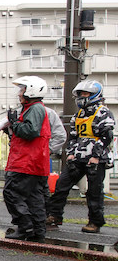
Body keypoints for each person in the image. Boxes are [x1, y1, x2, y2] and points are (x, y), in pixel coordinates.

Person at [46, 80, 115, 234]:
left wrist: (96, 156)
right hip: (78, 156)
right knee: (61, 185)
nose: (82, 97)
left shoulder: (103, 112)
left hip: (96, 158)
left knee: (94, 191)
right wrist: (70, 154)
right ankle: (54, 215)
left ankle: (95, 222)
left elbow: (107, 136)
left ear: (94, 95)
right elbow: (72, 136)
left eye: (85, 94)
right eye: (80, 94)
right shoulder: (79, 114)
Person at [2, 76, 51, 242]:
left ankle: (25, 226)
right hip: (35, 162)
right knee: (34, 198)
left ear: (31, 90)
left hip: (25, 162)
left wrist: (14, 123)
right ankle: (37, 231)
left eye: (22, 90)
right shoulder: (36, 108)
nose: (19, 94)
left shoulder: (35, 109)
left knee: (11, 192)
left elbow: (30, 131)